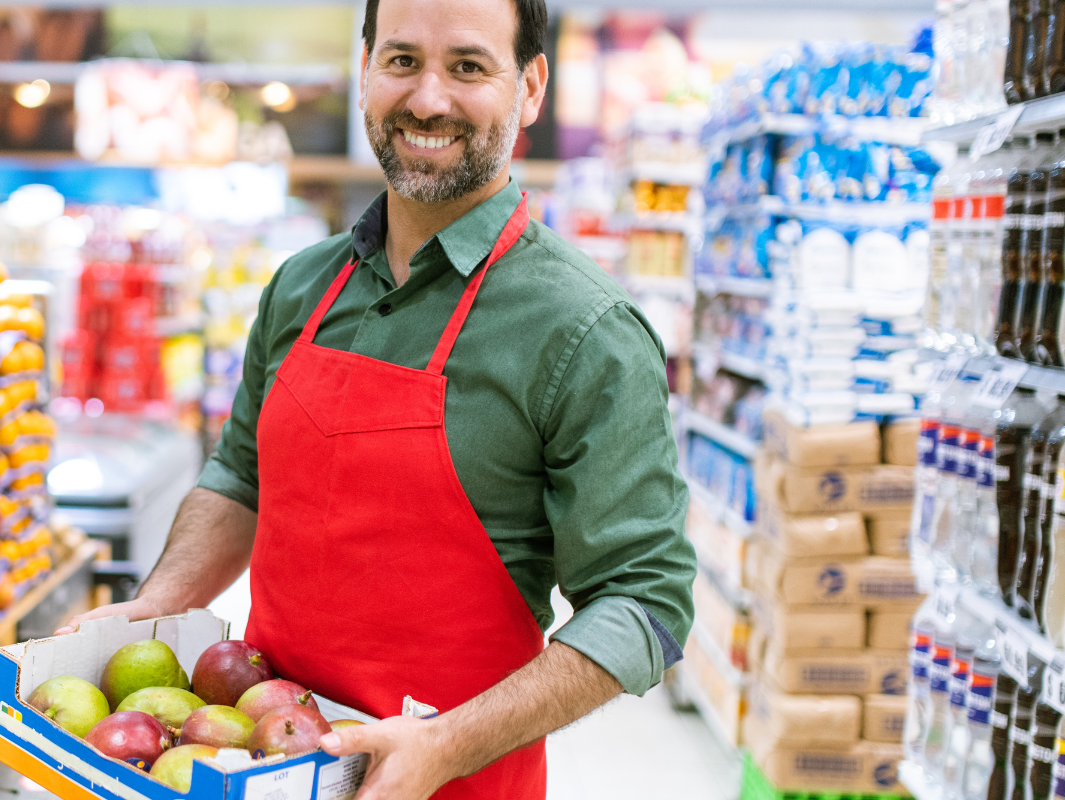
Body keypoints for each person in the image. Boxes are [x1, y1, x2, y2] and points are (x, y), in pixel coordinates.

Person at [58, 0, 697, 795]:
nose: (427, 99)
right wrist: (150, 609)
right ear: (365, 72)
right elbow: (240, 476)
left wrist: (446, 744)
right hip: (261, 760)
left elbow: (645, 602)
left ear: (531, 87)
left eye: (468, 67)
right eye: (401, 61)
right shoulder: (302, 286)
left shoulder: (584, 330)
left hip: (450, 780)